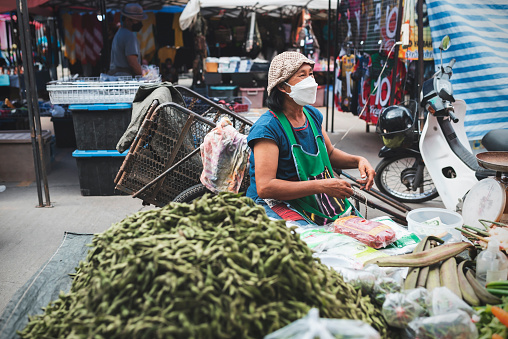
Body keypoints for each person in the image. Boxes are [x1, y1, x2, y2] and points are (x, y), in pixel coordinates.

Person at [246, 51, 375, 226]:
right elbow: (265, 187)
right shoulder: (267, 128)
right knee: (312, 241)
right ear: (282, 87)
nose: (311, 81)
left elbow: (328, 153)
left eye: (311, 74)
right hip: (274, 202)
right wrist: (322, 186)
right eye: (302, 75)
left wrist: (359, 160)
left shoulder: (312, 115)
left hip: (310, 196)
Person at [108, 3, 147, 77]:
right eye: (137, 21)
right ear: (127, 20)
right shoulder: (129, 36)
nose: (139, 23)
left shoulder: (120, 32)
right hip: (125, 78)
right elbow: (133, 63)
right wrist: (144, 76)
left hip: (117, 76)